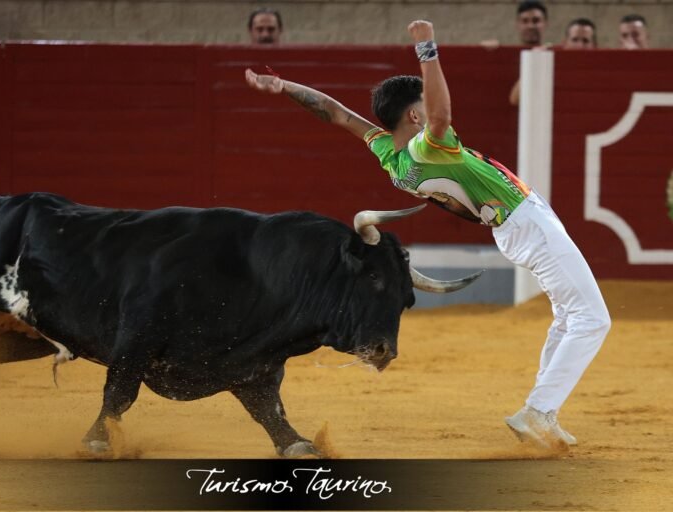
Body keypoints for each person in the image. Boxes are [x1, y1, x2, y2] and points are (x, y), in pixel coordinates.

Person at [244, 20, 611, 451]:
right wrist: (427, 50)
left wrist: (284, 85)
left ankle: (544, 413)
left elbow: (338, 113)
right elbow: (440, 115)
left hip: (516, 225)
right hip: (526, 221)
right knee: (592, 319)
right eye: (423, 106)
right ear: (414, 115)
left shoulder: (391, 156)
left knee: (569, 317)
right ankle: (537, 410)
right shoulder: (426, 146)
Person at [508, 1, 549, 106]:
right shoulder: (505, 56)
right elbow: (514, 100)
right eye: (525, 21)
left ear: (545, 23)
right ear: (517, 24)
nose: (530, 26)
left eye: (536, 21)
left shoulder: (554, 52)